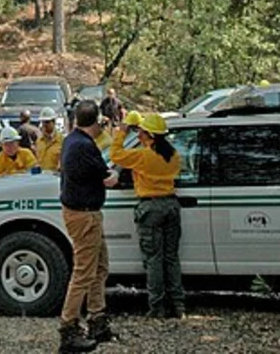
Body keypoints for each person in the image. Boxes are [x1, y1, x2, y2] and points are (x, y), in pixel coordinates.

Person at [110, 111, 184, 319]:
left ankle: (157, 307)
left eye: (141, 132)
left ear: (150, 135)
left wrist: (123, 131)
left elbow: (115, 155)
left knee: (153, 259)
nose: (139, 134)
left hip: (150, 208)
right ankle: (178, 306)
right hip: (171, 206)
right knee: (171, 258)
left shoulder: (143, 156)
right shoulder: (174, 156)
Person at [58, 99, 119, 353]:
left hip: (82, 213)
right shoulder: (85, 147)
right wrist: (117, 172)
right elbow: (108, 179)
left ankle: (97, 318)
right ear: (97, 122)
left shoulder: (70, 141)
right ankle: (68, 328)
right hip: (84, 216)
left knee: (100, 266)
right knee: (84, 272)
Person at [37, 106, 63, 172]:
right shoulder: (39, 141)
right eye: (43, 122)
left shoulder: (62, 141)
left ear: (54, 122)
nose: (45, 125)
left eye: (47, 122)